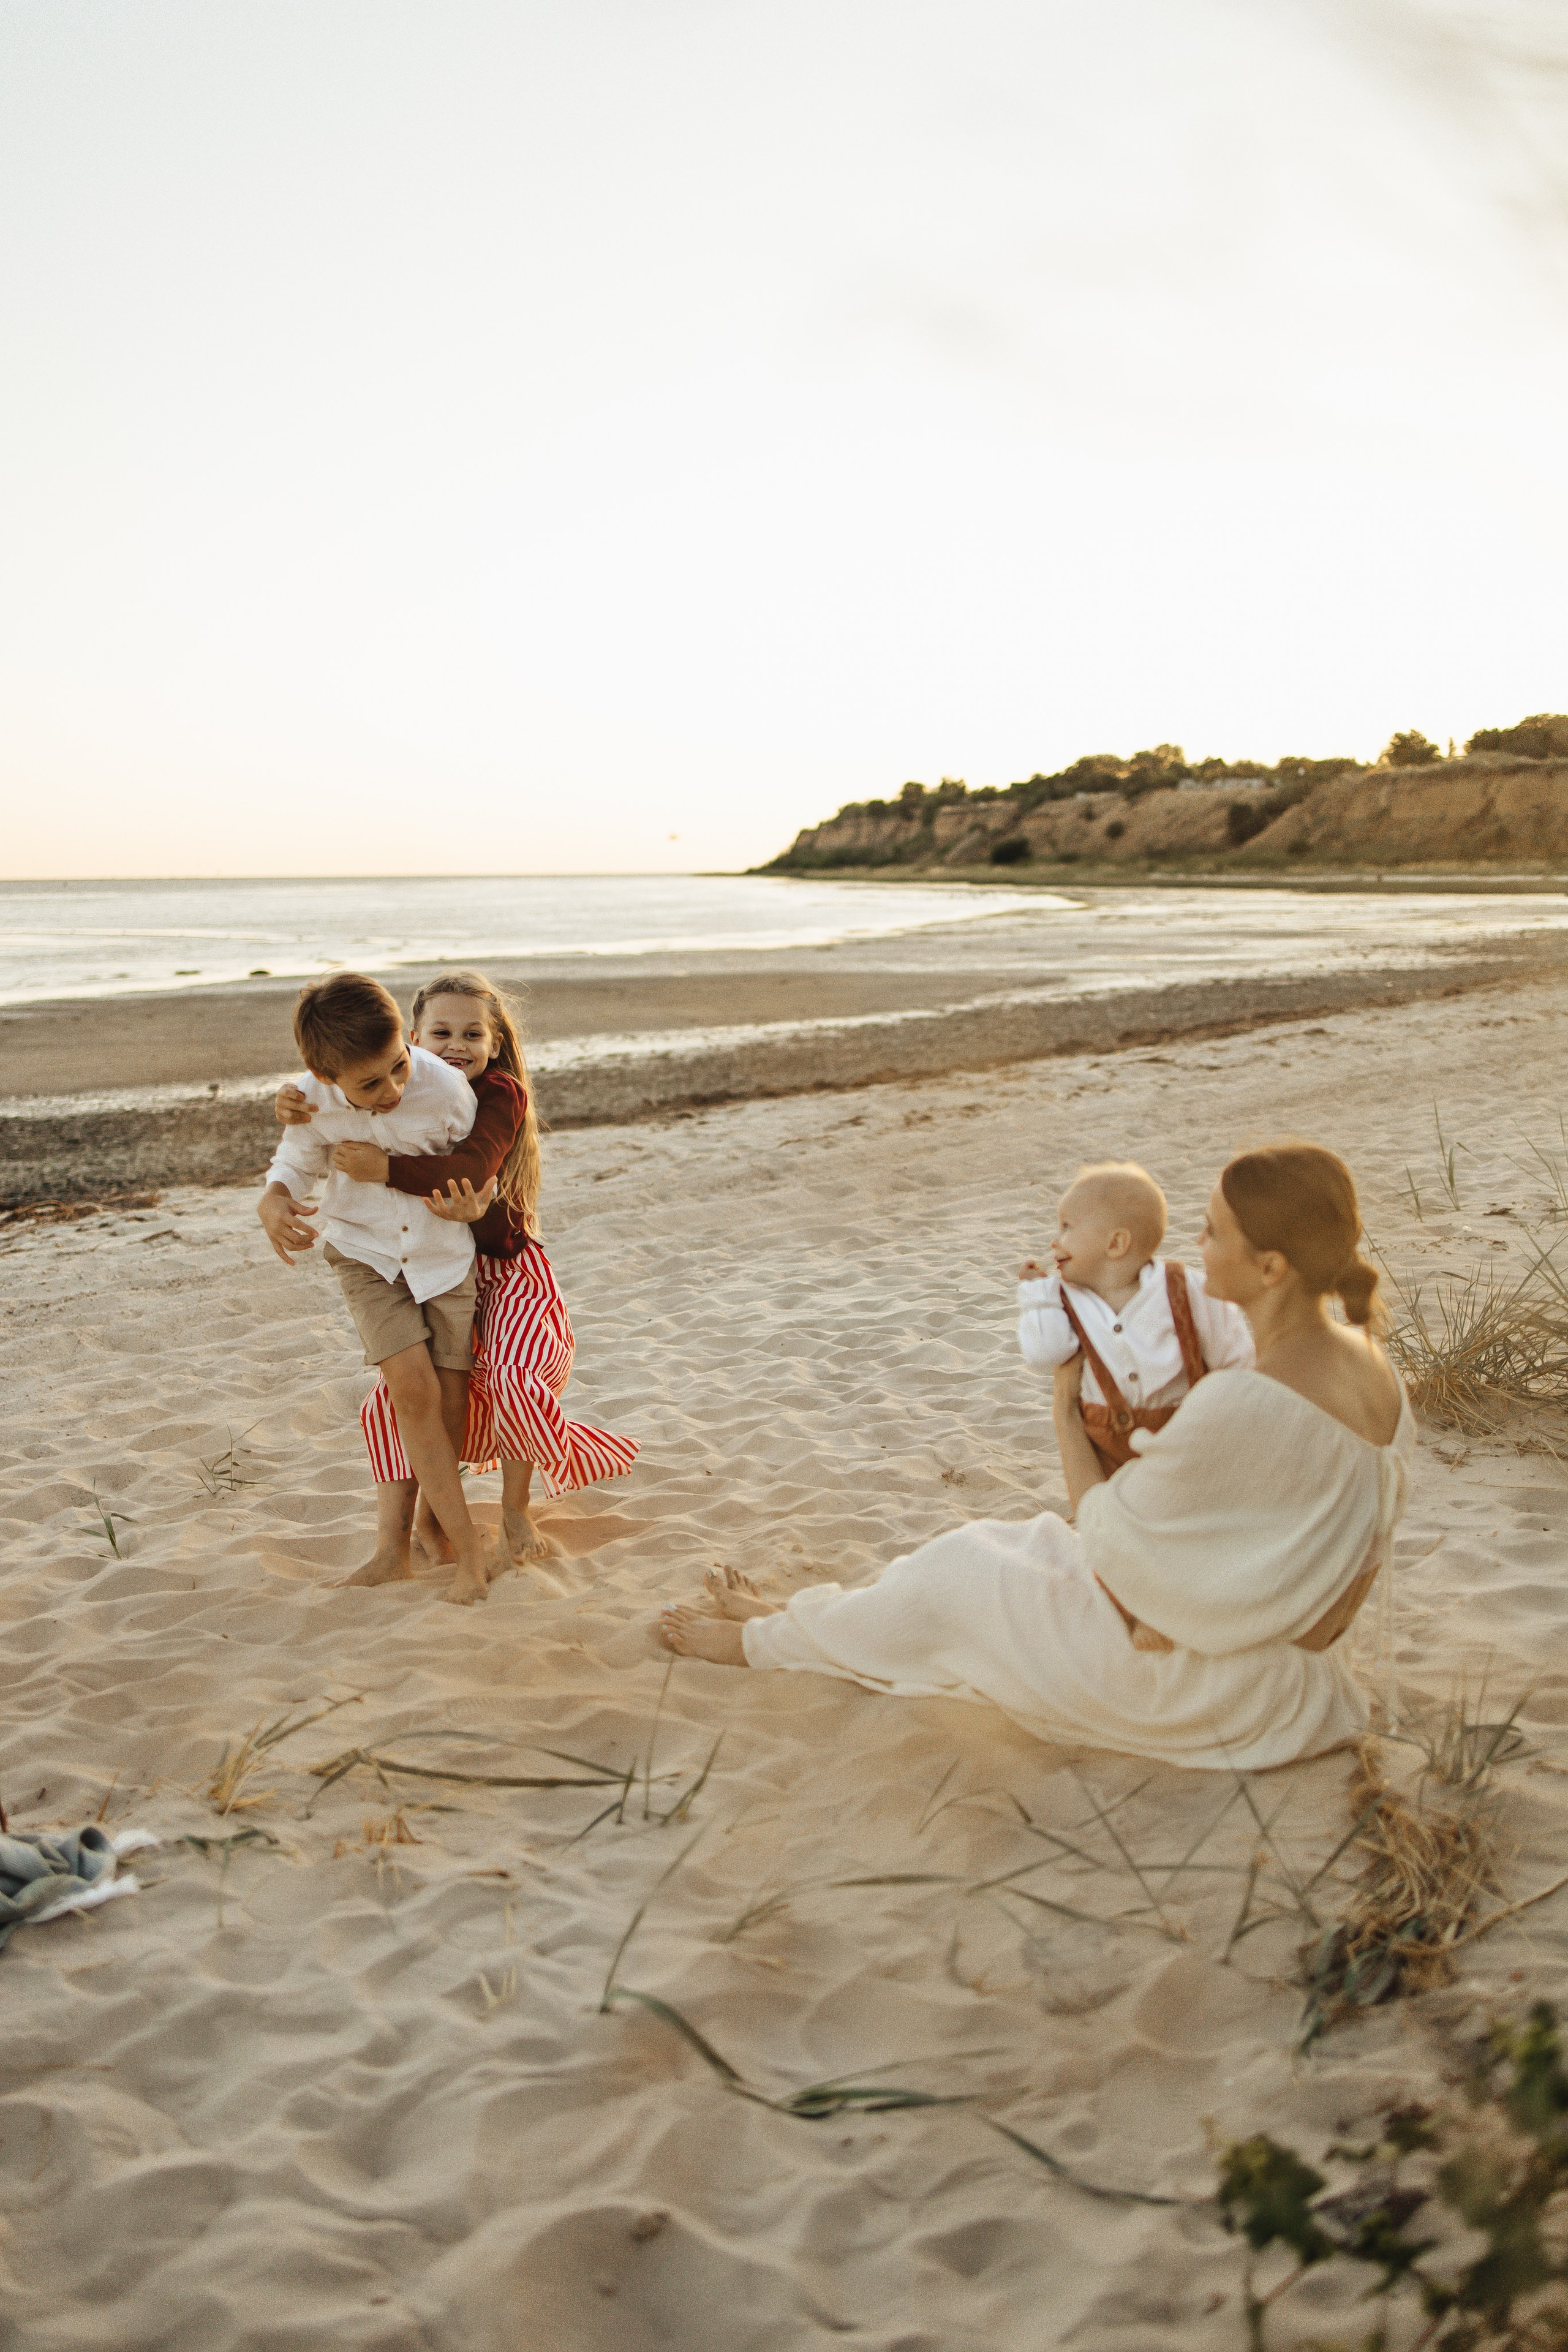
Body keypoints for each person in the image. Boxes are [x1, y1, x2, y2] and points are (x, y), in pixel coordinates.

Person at [662, 1143, 1413, 1773]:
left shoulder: (1241, 1400)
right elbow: (1315, 1555)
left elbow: (1110, 1534)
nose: (1196, 1247)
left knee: (960, 1569)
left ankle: (765, 1640)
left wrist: (1063, 1411)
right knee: (1017, 1545)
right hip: (1299, 1673)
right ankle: (809, 1625)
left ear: (1271, 1266)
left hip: (1217, 1689)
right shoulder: (1374, 1369)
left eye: (1212, 1233)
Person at [276, 970, 637, 1578]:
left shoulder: (499, 1094)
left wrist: (384, 1169)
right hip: (440, 1269)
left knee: (513, 1378)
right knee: (390, 1402)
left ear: (495, 1044)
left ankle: (514, 1509)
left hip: (507, 1270)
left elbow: (468, 1169)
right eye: (441, 1033)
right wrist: (291, 1099)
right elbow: (333, 1085)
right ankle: (397, 1543)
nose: (456, 1045)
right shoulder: (399, 1085)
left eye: (473, 1034)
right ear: (413, 1039)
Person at [257, 973, 492, 1604]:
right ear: (325, 1076)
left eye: (398, 1066)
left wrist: (475, 1198)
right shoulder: (310, 1098)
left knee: (450, 1404)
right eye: (370, 1084)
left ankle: (425, 1536)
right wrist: (274, 1200)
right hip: (366, 1256)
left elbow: (475, 1167)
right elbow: (295, 1161)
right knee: (411, 1392)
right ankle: (458, 1552)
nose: (392, 1090)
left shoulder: (444, 1089)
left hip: (444, 1261)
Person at [1017, 1159, 1253, 1476]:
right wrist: (1037, 1295)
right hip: (1108, 1457)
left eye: (1067, 1227)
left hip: (1191, 1443)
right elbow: (1045, 1352)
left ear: (1116, 1243)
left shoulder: (1186, 1290)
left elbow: (1237, 1359)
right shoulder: (1062, 1300)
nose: (1054, 1241)